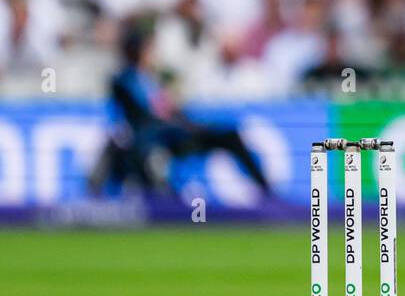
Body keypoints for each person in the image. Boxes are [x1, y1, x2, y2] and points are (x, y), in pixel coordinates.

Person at [90, 26, 272, 198]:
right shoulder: (124, 79)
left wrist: (175, 104)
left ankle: (266, 191)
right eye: (150, 48)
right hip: (152, 139)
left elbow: (173, 107)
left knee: (230, 135)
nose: (154, 53)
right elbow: (144, 111)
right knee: (150, 158)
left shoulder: (158, 77)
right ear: (138, 50)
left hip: (178, 132)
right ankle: (166, 199)